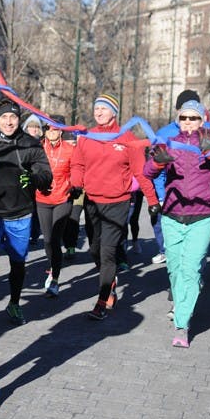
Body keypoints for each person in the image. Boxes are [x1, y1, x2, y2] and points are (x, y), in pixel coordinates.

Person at [144, 100, 210, 347]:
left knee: (191, 268)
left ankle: (182, 324)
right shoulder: (169, 142)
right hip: (172, 214)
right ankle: (181, 304)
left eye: (193, 118)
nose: (188, 122)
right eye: (184, 118)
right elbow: (147, 172)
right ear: (178, 120)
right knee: (174, 269)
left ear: (201, 120)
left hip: (203, 215)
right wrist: (158, 162)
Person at [70, 93, 159, 320]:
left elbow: (141, 172)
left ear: (114, 112)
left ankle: (102, 300)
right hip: (92, 201)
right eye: (96, 108)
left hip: (118, 202)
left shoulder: (128, 139)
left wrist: (152, 200)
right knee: (95, 250)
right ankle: (109, 282)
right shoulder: (87, 136)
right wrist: (76, 183)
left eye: (104, 108)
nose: (98, 112)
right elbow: (78, 163)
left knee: (108, 251)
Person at [0, 100, 52, 324]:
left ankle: (14, 303)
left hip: (20, 213)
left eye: (13, 117)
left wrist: (33, 178)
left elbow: (46, 176)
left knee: (17, 262)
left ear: (19, 119)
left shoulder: (30, 144)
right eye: (4, 117)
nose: (8, 122)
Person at [36, 116, 75, 297]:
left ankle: (55, 279)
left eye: (55, 129)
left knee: (55, 239)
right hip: (42, 198)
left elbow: (76, 170)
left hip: (62, 198)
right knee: (47, 240)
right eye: (48, 129)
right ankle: (52, 266)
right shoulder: (38, 148)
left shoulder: (70, 149)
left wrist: (74, 186)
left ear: (61, 131)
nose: (51, 132)